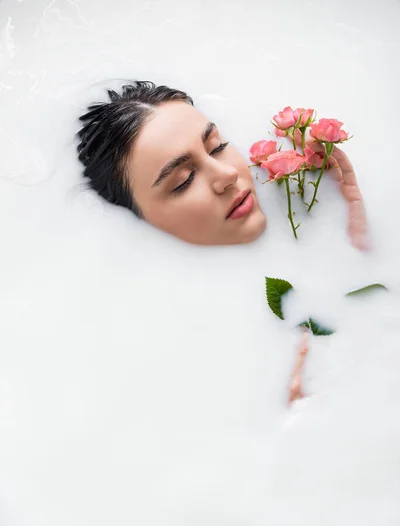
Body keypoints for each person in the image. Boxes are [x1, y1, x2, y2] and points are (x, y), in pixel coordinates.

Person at [76, 80, 369, 401]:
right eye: (183, 181)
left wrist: (355, 226)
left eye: (216, 146)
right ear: (132, 222)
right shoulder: (167, 352)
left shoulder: (319, 235)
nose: (227, 174)